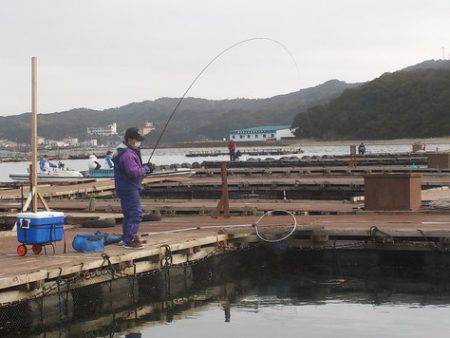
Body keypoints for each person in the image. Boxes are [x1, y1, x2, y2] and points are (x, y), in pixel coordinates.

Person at [113, 127, 155, 249]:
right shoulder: (127, 153)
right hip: (129, 187)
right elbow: (133, 172)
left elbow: (135, 169)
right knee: (136, 214)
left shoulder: (126, 151)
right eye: (137, 139)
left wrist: (144, 167)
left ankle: (126, 238)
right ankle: (129, 240)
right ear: (130, 139)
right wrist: (147, 169)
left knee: (128, 214)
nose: (139, 142)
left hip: (125, 187)